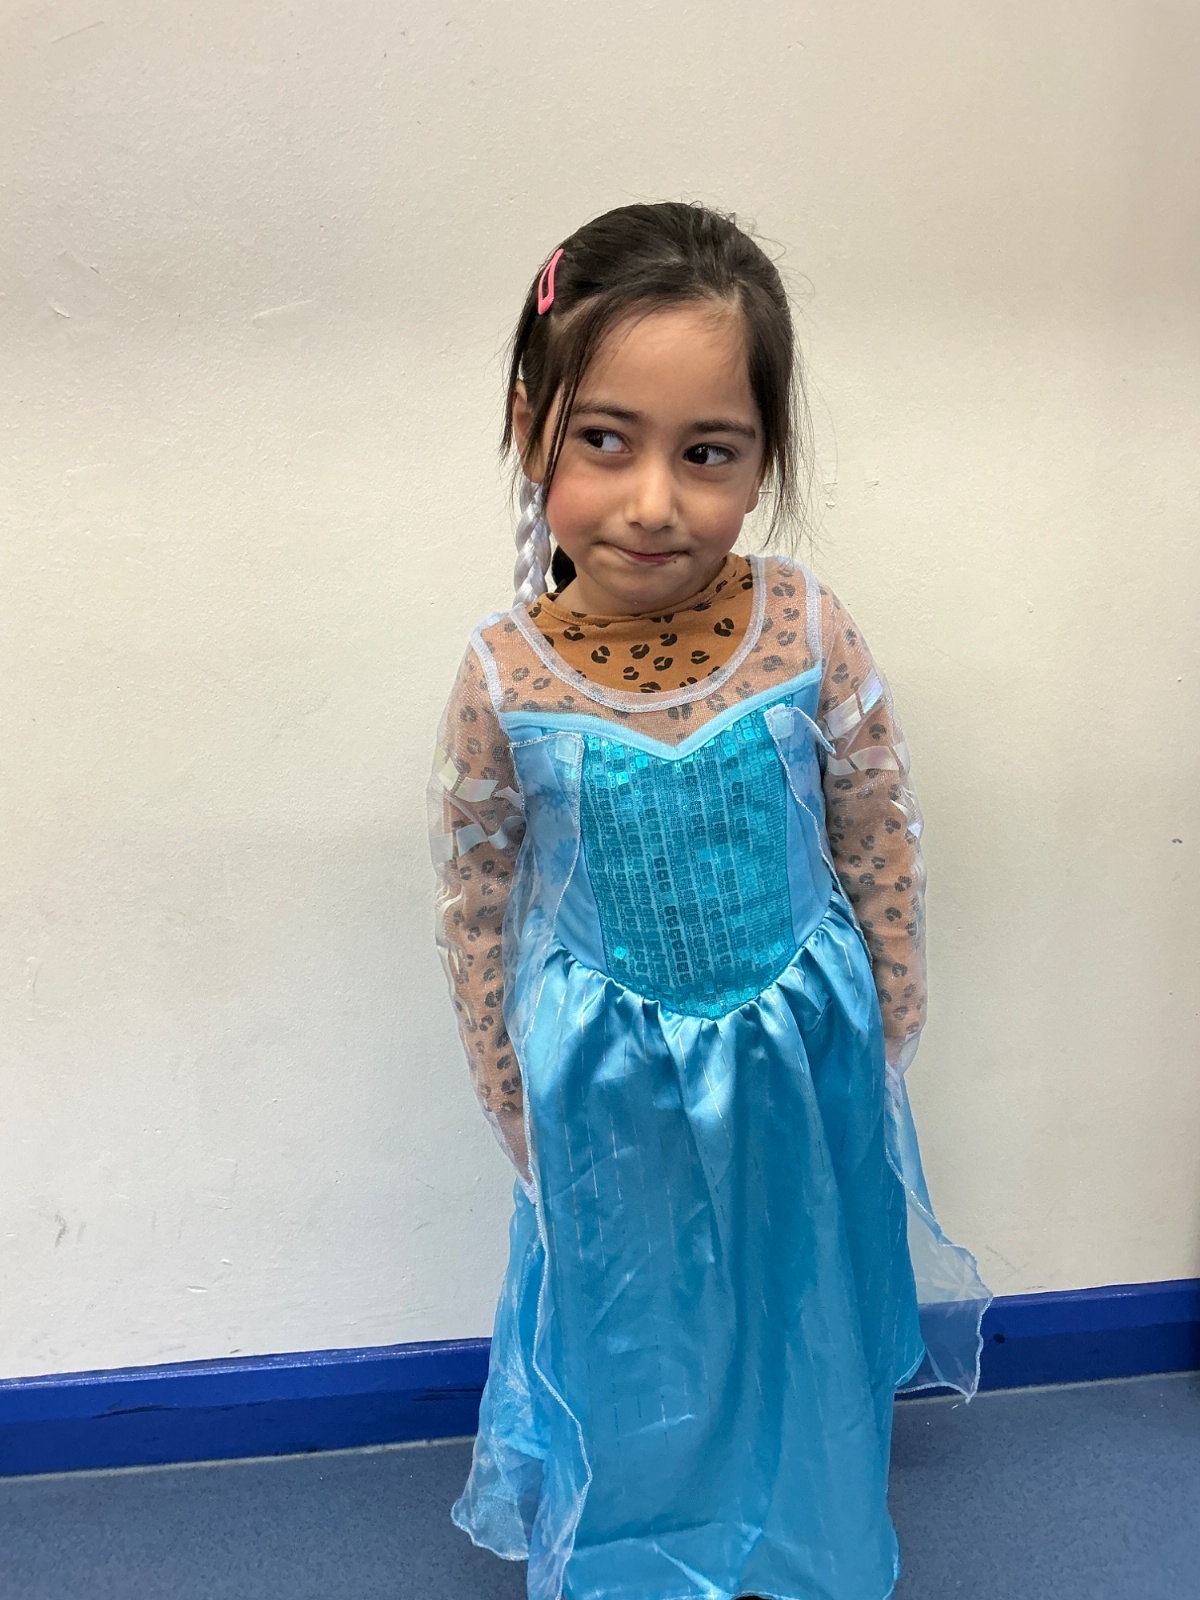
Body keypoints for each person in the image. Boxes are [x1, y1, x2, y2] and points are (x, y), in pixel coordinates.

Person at [429, 201, 990, 1600]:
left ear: (763, 460)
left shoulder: (803, 628)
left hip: (797, 1050)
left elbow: (877, 819)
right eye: (604, 440)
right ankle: (644, 1543)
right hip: (605, 1073)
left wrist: (891, 1012)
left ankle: (797, 1526)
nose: (653, 501)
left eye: (708, 453)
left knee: (793, 1292)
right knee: (639, 1307)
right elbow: (476, 892)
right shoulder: (504, 674)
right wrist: (507, 1083)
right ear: (531, 428)